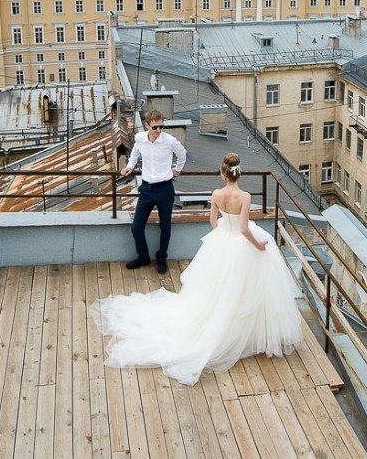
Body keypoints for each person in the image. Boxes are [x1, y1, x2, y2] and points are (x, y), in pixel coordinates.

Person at [91, 153, 304, 386]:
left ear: (223, 174)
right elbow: (244, 229)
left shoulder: (216, 194)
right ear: (239, 173)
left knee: (218, 288)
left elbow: (213, 222)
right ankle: (249, 333)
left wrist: (223, 230)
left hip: (222, 241)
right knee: (248, 287)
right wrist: (258, 244)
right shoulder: (244, 196)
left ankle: (222, 325)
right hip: (241, 243)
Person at [121, 110, 187, 273]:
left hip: (165, 189)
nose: (158, 130)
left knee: (165, 227)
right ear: (147, 125)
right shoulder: (140, 138)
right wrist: (130, 166)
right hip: (147, 189)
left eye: (161, 127)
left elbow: (182, 154)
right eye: (155, 127)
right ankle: (143, 256)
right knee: (136, 227)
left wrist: (177, 169)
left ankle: (161, 257)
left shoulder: (169, 140)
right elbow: (135, 153)